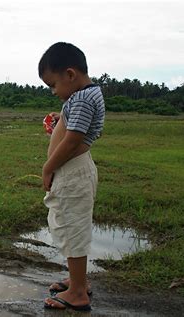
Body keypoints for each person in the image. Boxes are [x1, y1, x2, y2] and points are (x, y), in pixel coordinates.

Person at [38, 42, 105, 311]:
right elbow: (73, 126)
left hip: (73, 172)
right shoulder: (87, 96)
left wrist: (47, 167)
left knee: (72, 226)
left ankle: (78, 293)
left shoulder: (81, 98)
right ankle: (78, 280)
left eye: (53, 85)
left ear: (70, 74)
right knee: (71, 224)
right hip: (77, 170)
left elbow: (72, 141)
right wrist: (61, 117)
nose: (54, 92)